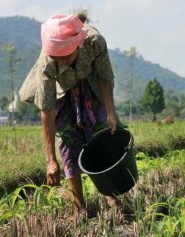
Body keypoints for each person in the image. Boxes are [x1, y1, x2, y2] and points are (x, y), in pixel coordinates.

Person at [19, 13, 121, 216]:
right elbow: (47, 109)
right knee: (68, 145)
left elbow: (104, 77)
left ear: (77, 45)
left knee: (100, 135)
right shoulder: (47, 64)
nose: (62, 62)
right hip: (62, 94)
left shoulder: (94, 42)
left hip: (91, 87)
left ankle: (109, 195)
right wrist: (50, 160)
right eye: (58, 59)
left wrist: (111, 112)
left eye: (66, 57)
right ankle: (79, 206)